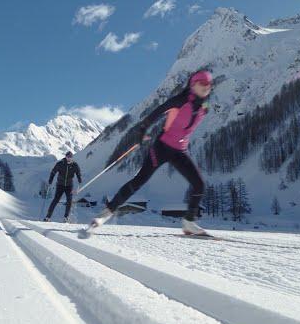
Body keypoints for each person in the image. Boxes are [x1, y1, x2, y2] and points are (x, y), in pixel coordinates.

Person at [90, 70, 213, 235]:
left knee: (199, 184)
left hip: (179, 151)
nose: (206, 87)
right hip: (161, 147)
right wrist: (142, 129)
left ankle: (189, 222)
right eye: (202, 83)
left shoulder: (204, 107)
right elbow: (157, 112)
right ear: (193, 84)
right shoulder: (180, 100)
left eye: (209, 84)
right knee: (139, 180)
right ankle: (107, 212)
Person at [44, 151, 82, 222]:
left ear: (72, 158)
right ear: (65, 157)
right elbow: (53, 172)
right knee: (56, 200)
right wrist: (50, 180)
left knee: (69, 201)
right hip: (60, 185)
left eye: (70, 157)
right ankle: (48, 217)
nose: (69, 159)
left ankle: (66, 217)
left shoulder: (74, 165)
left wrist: (79, 179)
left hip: (69, 185)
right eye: (68, 157)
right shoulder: (60, 163)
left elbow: (78, 173)